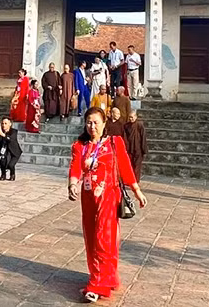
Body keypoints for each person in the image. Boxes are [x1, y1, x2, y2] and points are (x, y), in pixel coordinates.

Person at [68, 107, 147, 303]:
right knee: (91, 239)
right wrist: (72, 184)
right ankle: (106, 277)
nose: (92, 126)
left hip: (109, 196)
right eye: (88, 122)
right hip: (88, 199)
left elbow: (126, 167)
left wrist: (137, 191)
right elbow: (76, 166)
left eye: (95, 122)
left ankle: (97, 285)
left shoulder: (114, 142)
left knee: (104, 237)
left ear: (104, 124)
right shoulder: (80, 146)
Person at [0, 117, 22, 181]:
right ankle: (3, 175)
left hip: (14, 152)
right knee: (2, 162)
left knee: (11, 165)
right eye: (2, 123)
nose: (4, 125)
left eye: (5, 123)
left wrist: (2, 134)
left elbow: (11, 139)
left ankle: (12, 174)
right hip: (5, 150)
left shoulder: (14, 131)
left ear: (10, 124)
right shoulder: (1, 131)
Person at [124, 110, 148, 182]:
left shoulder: (139, 125)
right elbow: (125, 137)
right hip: (129, 147)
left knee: (137, 165)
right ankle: (130, 179)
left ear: (136, 117)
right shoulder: (126, 126)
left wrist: (144, 149)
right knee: (130, 164)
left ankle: (136, 180)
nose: (131, 119)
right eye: (130, 117)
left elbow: (143, 137)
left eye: (132, 117)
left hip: (138, 148)